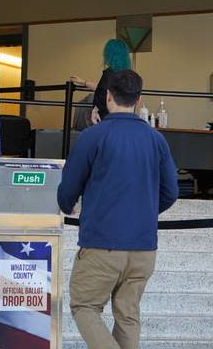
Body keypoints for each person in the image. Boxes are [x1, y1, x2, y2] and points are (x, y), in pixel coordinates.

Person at [58, 69, 179, 349]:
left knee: (85, 307)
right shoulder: (156, 139)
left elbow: (68, 189)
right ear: (138, 100)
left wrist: (68, 205)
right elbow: (171, 192)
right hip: (144, 249)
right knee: (128, 315)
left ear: (109, 96)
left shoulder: (94, 136)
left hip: (102, 244)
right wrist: (143, 212)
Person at [69, 38, 132, 131]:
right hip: (124, 120)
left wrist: (95, 109)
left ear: (111, 55)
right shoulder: (129, 75)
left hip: (106, 120)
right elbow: (103, 90)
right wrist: (83, 82)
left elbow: (101, 94)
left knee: (83, 104)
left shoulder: (109, 74)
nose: (104, 55)